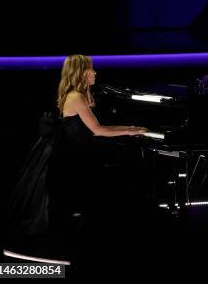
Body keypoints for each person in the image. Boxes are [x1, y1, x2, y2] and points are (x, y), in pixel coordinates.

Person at [46, 54, 147, 233]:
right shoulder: (76, 97)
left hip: (82, 152)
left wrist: (129, 127)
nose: (95, 72)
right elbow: (98, 130)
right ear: (80, 73)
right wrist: (129, 131)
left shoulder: (81, 95)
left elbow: (99, 127)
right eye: (90, 69)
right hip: (75, 158)